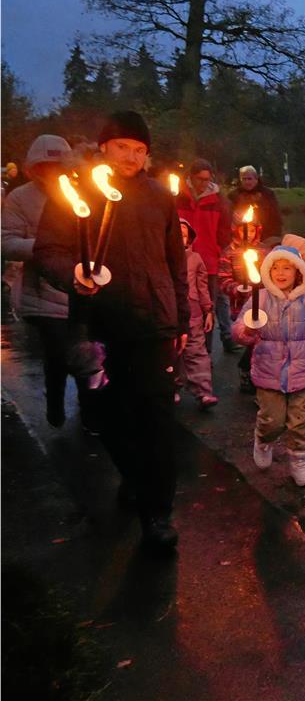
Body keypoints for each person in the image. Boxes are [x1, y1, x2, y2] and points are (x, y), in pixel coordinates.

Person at [34, 110, 189, 553]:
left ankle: (157, 515)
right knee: (106, 416)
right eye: (124, 147)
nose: (133, 157)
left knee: (157, 419)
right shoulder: (78, 194)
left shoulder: (159, 196)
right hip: (97, 324)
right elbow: (49, 251)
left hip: (152, 323)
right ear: (104, 146)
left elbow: (175, 262)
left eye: (141, 150)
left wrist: (180, 319)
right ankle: (134, 475)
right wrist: (74, 273)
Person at [232, 245, 305, 487]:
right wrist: (248, 329)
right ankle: (263, 440)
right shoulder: (260, 298)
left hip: (303, 372)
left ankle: (300, 462)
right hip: (268, 370)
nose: (280, 273)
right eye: (275, 268)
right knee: (272, 419)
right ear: (266, 271)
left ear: (298, 272)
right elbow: (239, 333)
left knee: (301, 419)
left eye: (287, 268)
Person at [1, 134, 82, 426]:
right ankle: (56, 402)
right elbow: (7, 242)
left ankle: (89, 410)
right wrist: (46, 247)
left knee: (87, 350)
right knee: (58, 351)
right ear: (34, 168)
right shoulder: (20, 198)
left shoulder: (79, 193)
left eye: (58, 165)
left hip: (79, 286)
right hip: (43, 291)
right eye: (45, 166)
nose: (53, 172)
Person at [177, 158, 232, 352]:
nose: (203, 183)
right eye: (199, 179)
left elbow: (225, 232)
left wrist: (217, 249)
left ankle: (205, 351)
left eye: (207, 179)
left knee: (207, 307)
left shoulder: (219, 202)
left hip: (209, 262)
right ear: (191, 177)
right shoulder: (178, 198)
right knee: (183, 305)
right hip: (182, 261)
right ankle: (183, 351)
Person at [218, 212, 265, 393]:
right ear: (236, 230)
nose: (249, 234)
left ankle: (256, 373)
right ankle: (246, 370)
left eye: (252, 230)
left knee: (260, 339)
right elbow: (223, 279)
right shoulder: (229, 252)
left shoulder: (263, 251)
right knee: (250, 337)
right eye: (245, 230)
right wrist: (236, 288)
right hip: (241, 305)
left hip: (261, 301)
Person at [175, 218, 218, 410]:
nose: (179, 238)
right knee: (171, 353)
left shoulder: (195, 259)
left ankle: (203, 392)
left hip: (193, 314)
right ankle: (171, 387)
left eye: (183, 235)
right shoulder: (161, 259)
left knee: (197, 353)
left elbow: (202, 287)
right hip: (170, 314)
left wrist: (208, 310)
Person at [228, 165, 283, 240]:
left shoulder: (268, 194)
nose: (247, 182)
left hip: (265, 237)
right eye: (244, 179)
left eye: (249, 179)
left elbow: (276, 218)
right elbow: (227, 216)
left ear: (256, 179)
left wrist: (274, 238)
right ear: (240, 180)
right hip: (240, 238)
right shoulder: (233, 195)